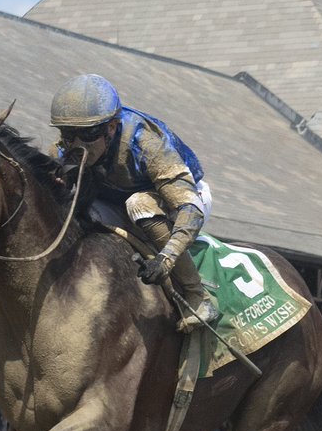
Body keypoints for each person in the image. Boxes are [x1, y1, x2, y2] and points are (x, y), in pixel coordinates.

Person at [49, 73, 218, 332]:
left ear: (112, 128)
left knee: (138, 204)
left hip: (182, 201)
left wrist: (167, 259)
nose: (77, 145)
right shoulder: (64, 149)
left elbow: (189, 207)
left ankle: (198, 297)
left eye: (88, 135)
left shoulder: (145, 141)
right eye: (69, 135)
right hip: (118, 199)